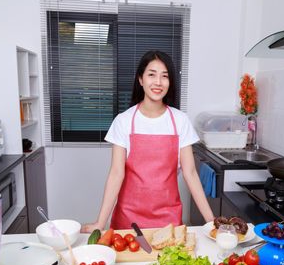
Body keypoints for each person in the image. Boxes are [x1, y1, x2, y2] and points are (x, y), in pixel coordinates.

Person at [81, 50, 215, 232]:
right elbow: (116, 174)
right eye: (152, 74)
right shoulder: (124, 120)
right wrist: (100, 223)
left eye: (164, 76)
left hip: (169, 221)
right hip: (128, 221)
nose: (158, 82)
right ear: (141, 79)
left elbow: (190, 173)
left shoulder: (180, 120)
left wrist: (211, 221)